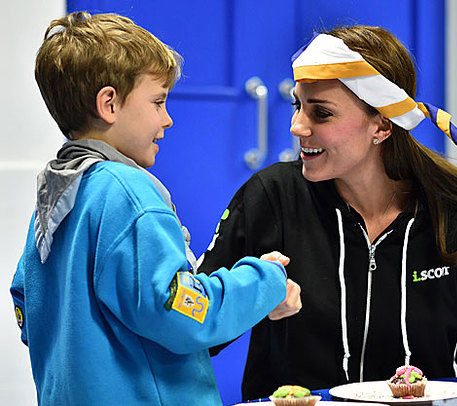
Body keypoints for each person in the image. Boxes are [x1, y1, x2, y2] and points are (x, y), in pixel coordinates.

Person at [198, 25, 457, 400]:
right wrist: (248, 294)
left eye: (321, 113)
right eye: (297, 105)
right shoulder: (271, 198)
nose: (296, 126)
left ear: (382, 126)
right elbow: (192, 328)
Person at [10, 11, 289, 406]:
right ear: (109, 103)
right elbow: (180, 311)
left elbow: (26, 304)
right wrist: (266, 281)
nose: (168, 119)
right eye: (158, 102)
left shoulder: (54, 195)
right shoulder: (127, 192)